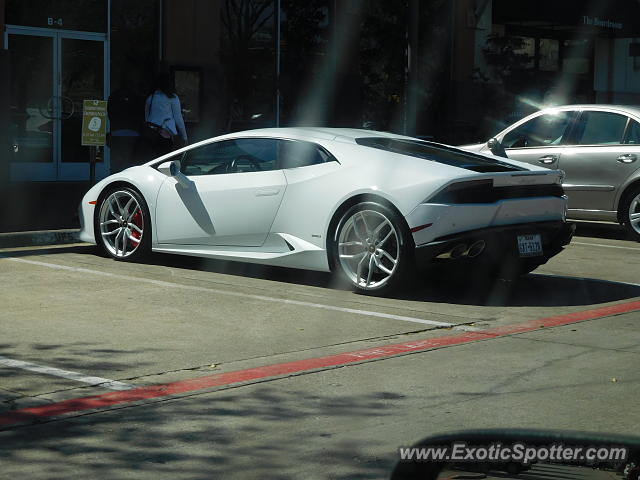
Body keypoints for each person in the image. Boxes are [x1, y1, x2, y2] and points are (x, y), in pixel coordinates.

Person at [144, 73, 188, 159]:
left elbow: (146, 117)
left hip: (152, 134)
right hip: (166, 133)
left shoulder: (151, 97)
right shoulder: (172, 97)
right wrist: (184, 137)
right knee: (165, 160)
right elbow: (178, 118)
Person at [107, 76, 145, 173]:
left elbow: (110, 113)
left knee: (116, 163)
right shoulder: (136, 97)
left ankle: (114, 183)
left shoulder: (113, 96)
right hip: (133, 133)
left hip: (117, 132)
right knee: (130, 164)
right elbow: (141, 114)